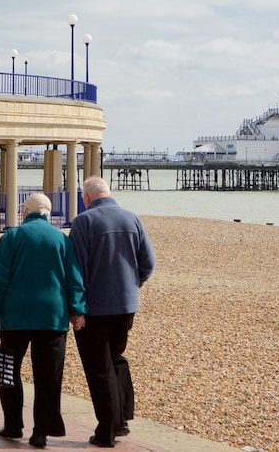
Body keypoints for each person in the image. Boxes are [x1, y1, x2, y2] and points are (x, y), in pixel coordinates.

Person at [0, 192, 87, 449]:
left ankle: (13, 425)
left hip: (14, 316)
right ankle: (41, 431)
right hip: (52, 317)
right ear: (47, 213)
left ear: (26, 211)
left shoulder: (12, 237)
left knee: (9, 371)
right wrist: (78, 311)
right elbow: (74, 279)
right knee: (47, 376)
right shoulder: (61, 240)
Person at [68, 176, 156, 448]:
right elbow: (148, 263)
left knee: (99, 368)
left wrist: (76, 309)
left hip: (95, 308)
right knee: (116, 358)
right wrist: (132, 285)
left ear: (86, 198)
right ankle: (121, 421)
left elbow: (76, 270)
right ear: (109, 192)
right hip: (126, 306)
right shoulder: (131, 218)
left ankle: (107, 431)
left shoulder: (84, 222)